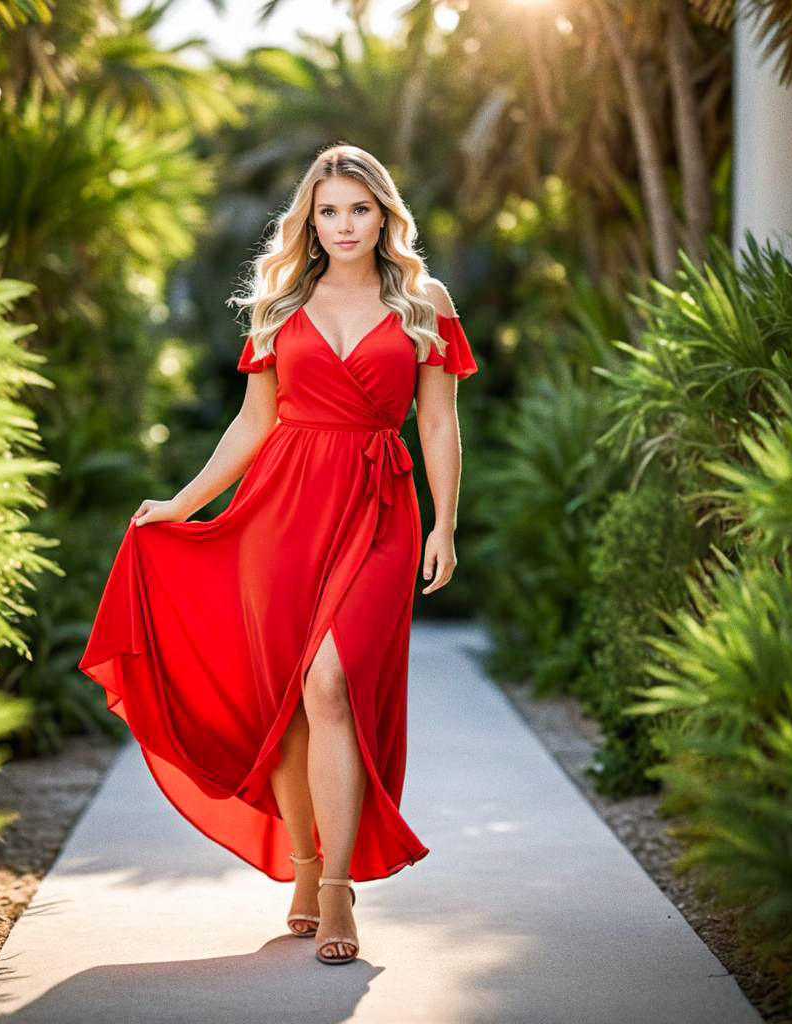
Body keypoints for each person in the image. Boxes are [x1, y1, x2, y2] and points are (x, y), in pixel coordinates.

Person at [79, 142, 479, 966]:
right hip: (282, 513)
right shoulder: (279, 299)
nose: (344, 225)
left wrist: (444, 525)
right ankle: (304, 868)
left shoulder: (423, 300)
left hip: (378, 509)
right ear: (309, 218)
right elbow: (253, 423)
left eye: (359, 210)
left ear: (384, 214)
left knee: (332, 682)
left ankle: (337, 891)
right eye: (328, 210)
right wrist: (186, 503)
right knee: (292, 704)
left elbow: (438, 421)